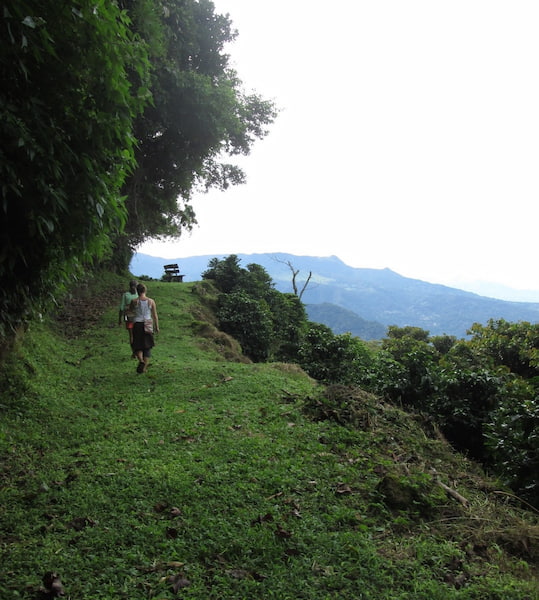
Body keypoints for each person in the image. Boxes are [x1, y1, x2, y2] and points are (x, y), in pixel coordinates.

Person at [130, 283, 159, 374]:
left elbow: (130, 312)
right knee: (147, 346)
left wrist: (128, 322)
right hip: (148, 323)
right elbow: (155, 315)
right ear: (145, 290)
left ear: (137, 291)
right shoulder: (151, 301)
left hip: (137, 323)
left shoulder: (134, 301)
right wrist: (157, 327)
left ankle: (141, 360)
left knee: (138, 344)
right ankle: (144, 367)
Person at [118, 280, 138, 352]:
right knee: (136, 335)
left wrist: (120, 319)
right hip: (136, 317)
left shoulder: (126, 295)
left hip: (128, 317)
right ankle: (137, 350)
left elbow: (121, 308)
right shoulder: (138, 295)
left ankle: (134, 351)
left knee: (131, 335)